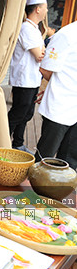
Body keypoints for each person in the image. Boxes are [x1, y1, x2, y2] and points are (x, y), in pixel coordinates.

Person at [7, 0, 47, 154]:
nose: (46, 10)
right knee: (18, 113)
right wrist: (46, 53)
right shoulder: (26, 28)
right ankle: (1, 140)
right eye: (45, 7)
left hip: (32, 79)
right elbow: (40, 55)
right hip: (23, 80)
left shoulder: (34, 29)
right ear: (37, 9)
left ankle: (18, 143)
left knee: (27, 113)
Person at [35, 20, 77, 169]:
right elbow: (45, 68)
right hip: (60, 105)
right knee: (44, 158)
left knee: (70, 162)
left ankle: (61, 192)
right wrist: (55, 86)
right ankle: (32, 191)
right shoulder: (67, 35)